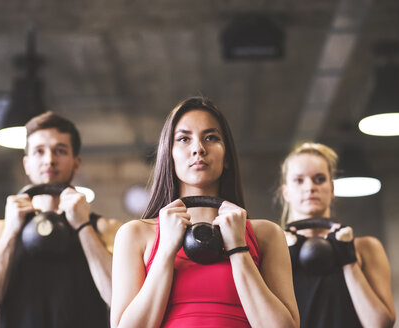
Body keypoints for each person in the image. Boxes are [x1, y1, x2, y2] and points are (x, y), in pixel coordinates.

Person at [110, 96, 299, 328]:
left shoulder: (266, 234)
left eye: (210, 138)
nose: (198, 148)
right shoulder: (135, 234)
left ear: (226, 157)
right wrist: (166, 250)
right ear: (169, 155)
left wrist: (239, 248)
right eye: (183, 139)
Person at [0, 111, 122, 328]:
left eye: (60, 151)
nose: (49, 160)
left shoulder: (105, 229)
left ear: (76, 163)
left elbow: (123, 304)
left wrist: (83, 226)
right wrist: (11, 232)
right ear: (26, 164)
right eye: (39, 151)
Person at [278, 142, 396, 328]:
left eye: (319, 179)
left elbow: (379, 324)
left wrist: (348, 260)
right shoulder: (271, 250)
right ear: (286, 192)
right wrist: (282, 259)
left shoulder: (366, 248)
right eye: (299, 180)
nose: (310, 187)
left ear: (332, 189)